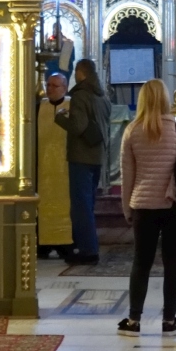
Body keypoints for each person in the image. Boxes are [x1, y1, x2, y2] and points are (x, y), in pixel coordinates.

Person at [117, 79, 176, 335]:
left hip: (143, 205)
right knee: (172, 262)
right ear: (166, 100)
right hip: (175, 206)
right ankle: (169, 320)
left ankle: (134, 320)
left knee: (140, 263)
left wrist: (126, 209)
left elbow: (127, 175)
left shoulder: (132, 131)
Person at [52, 57, 110, 264]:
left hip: (81, 156)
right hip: (97, 157)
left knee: (81, 205)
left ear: (79, 73)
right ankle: (85, 245)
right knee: (88, 203)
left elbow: (77, 127)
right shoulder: (102, 96)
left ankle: (87, 250)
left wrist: (60, 118)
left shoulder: (80, 96)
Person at [37, 71, 74, 257]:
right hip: (43, 166)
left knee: (65, 204)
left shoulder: (71, 106)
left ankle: (65, 243)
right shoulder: (39, 107)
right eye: (48, 85)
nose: (50, 89)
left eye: (55, 86)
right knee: (43, 203)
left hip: (65, 165)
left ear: (64, 88)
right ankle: (44, 243)